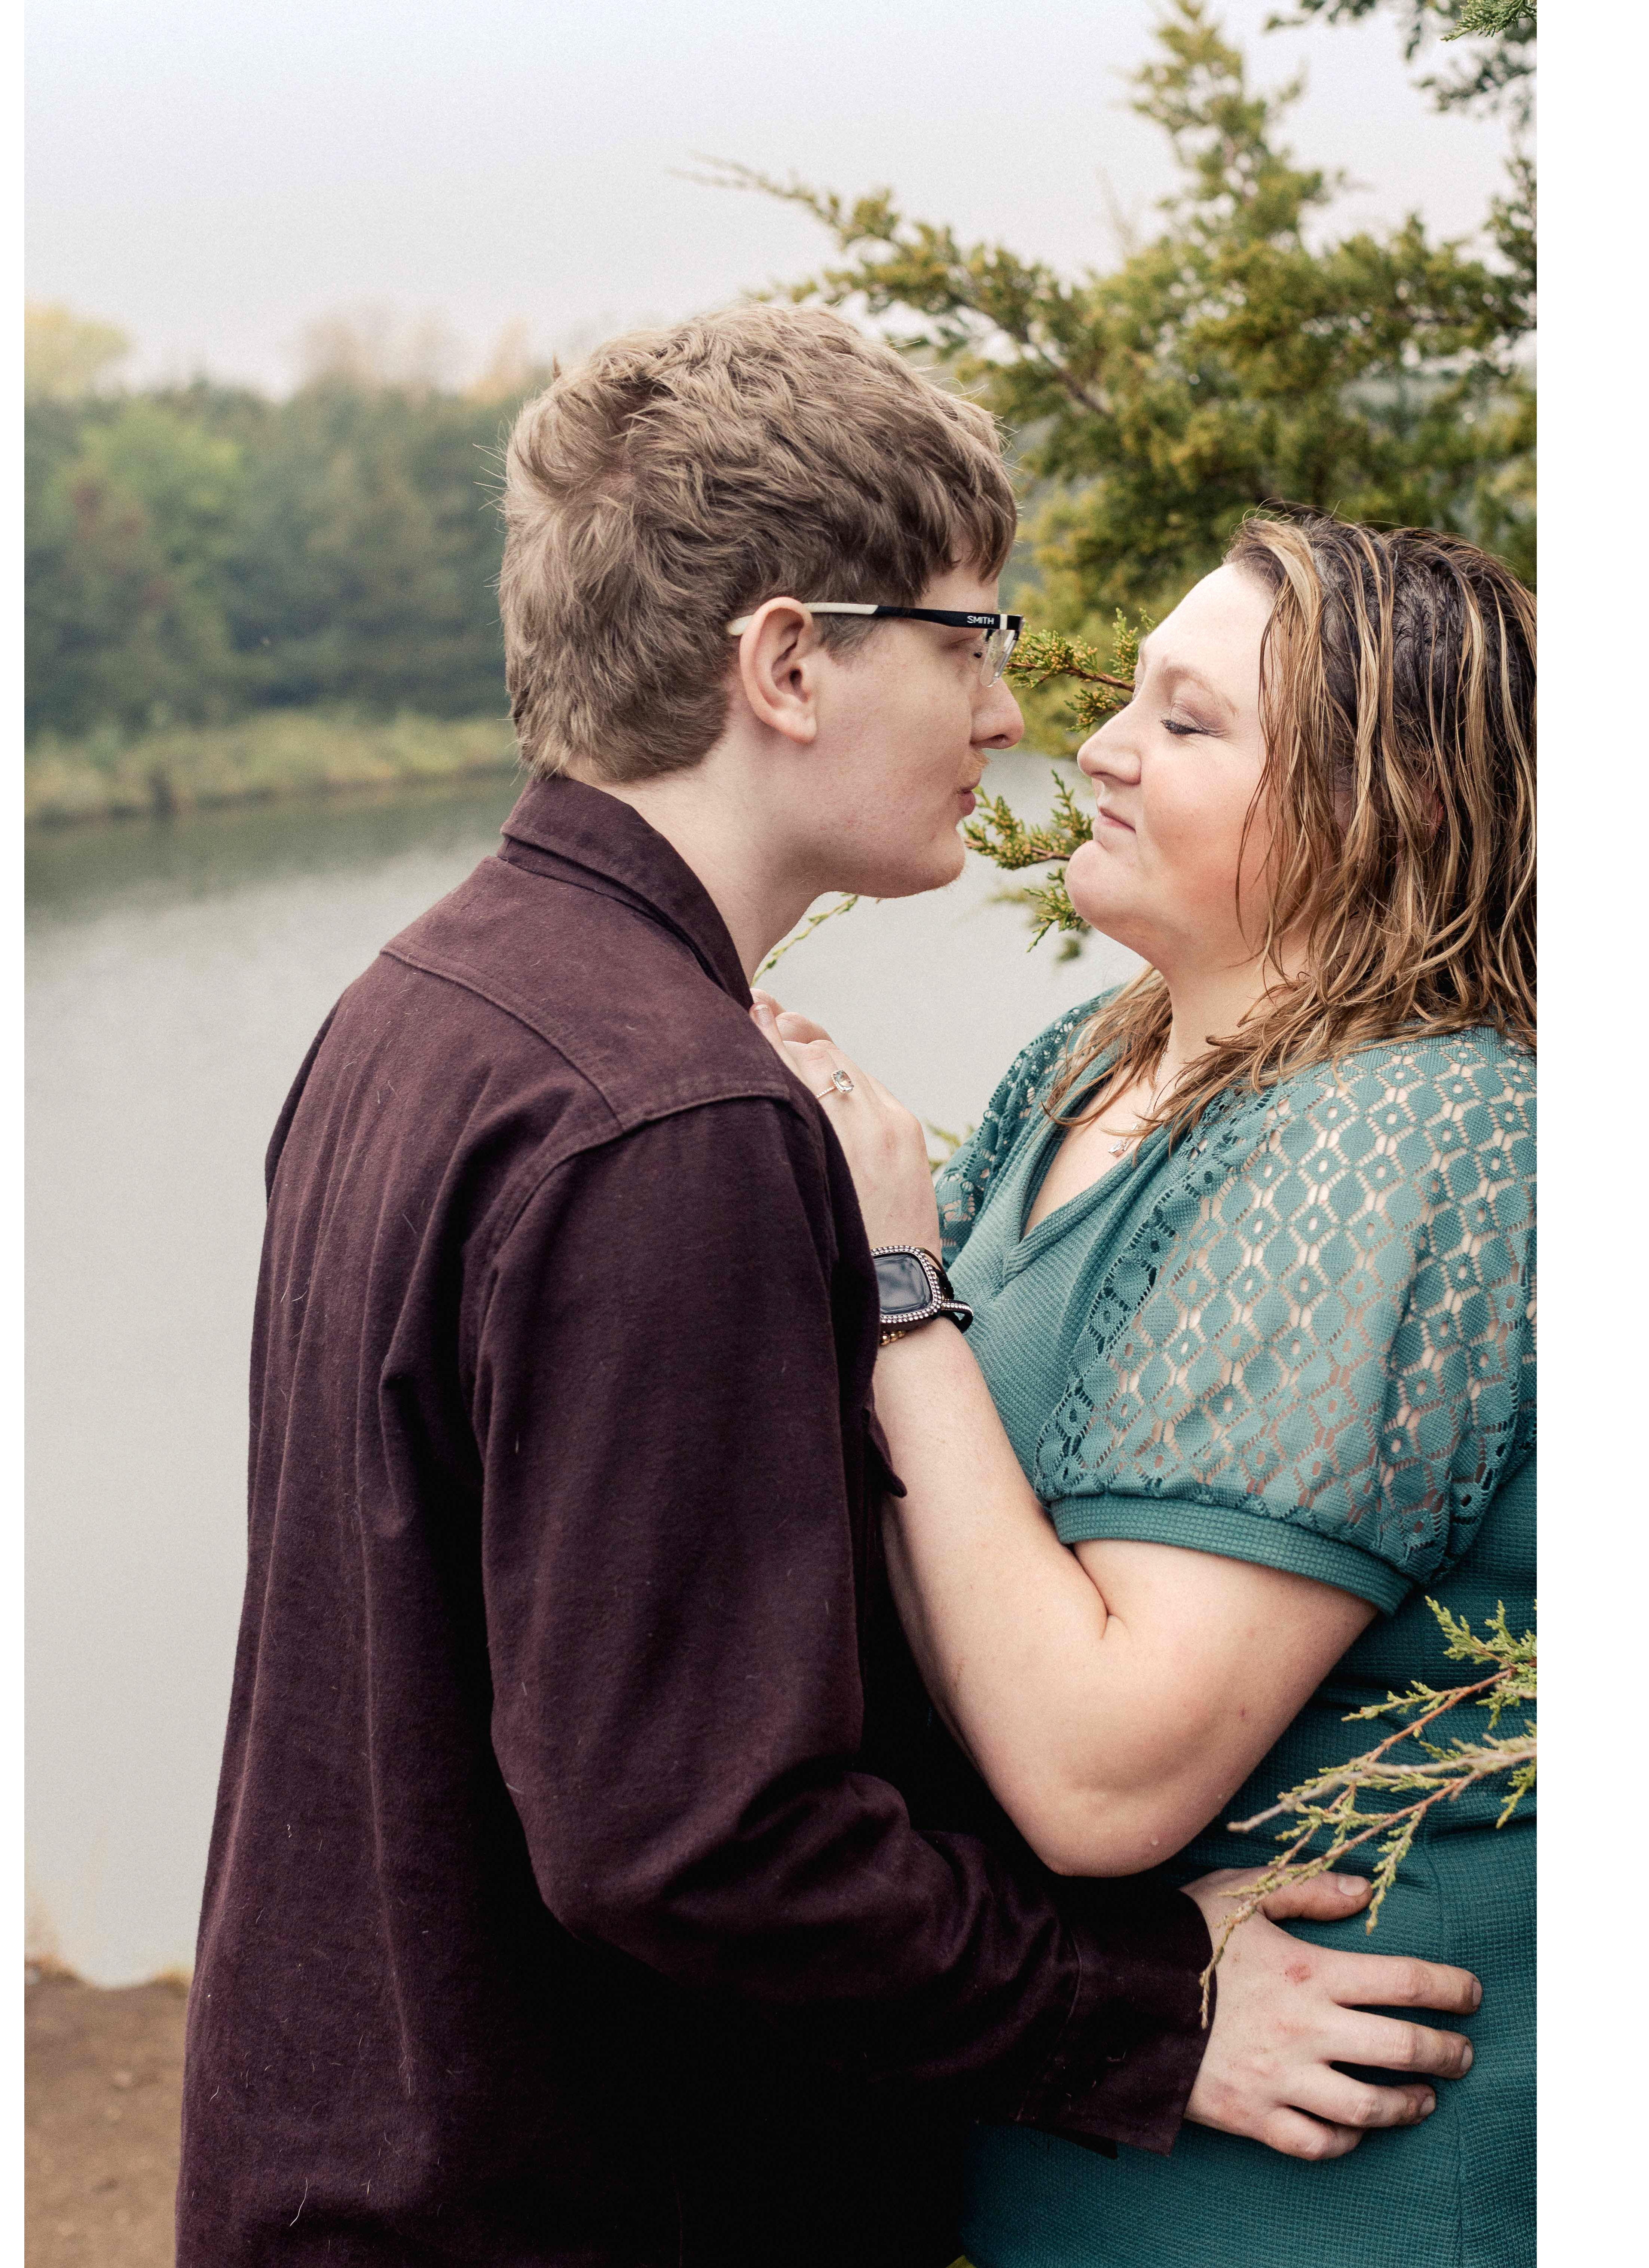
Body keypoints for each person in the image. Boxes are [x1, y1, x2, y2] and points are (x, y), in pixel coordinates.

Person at [176, 310, 1488, 2268]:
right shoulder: (670, 1122)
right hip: (564, 2217)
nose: (1014, 715)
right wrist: (1139, 2005)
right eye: (967, 641)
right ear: (789, 662)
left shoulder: (427, 1007)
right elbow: (694, 1838)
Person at [756, 508, 1536, 2266]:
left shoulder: (1419, 1127)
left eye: (1188, 725)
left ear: (1388, 805)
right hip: (1094, 2139)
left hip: (1327, 2188)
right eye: (1130, 699)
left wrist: (891, 1282)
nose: (1096, 747)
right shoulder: (1095, 1056)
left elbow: (1102, 1772)